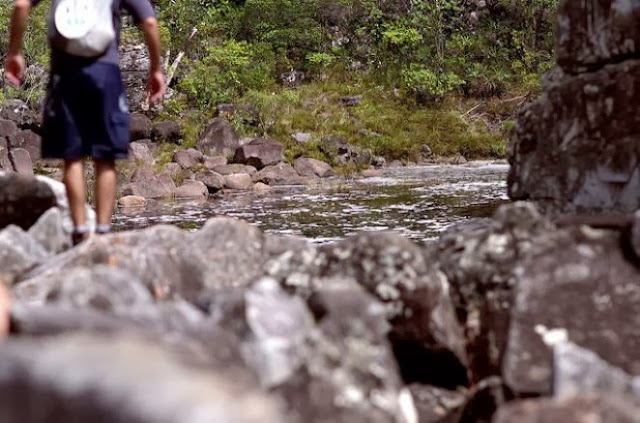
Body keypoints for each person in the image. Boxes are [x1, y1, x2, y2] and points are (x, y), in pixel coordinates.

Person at [4, 0, 165, 245]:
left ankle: (79, 231)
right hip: (105, 72)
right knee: (105, 158)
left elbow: (20, 6)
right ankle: (101, 232)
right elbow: (150, 22)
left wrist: (15, 52)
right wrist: (155, 69)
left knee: (73, 156)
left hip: (65, 73)